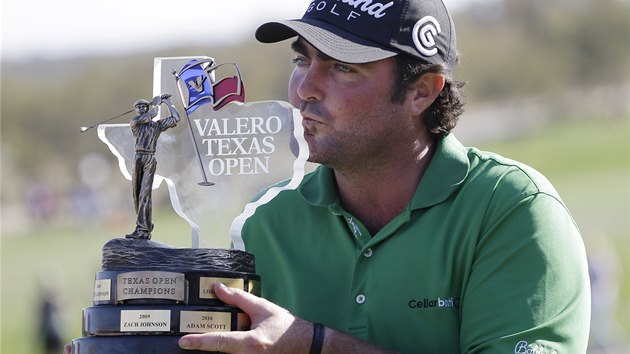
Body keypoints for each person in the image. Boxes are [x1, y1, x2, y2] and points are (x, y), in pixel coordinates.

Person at [64, 1, 590, 353]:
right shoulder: (262, 222)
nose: (304, 89)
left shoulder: (514, 210)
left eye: (343, 67)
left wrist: (315, 344)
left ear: (423, 91)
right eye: (302, 60)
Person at [126, 93, 180, 239]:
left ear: (147, 107)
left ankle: (143, 229)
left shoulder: (156, 126)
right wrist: (157, 104)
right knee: (137, 193)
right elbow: (153, 114)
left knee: (145, 194)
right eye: (139, 107)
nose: (141, 108)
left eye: (144, 106)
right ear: (136, 110)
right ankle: (144, 225)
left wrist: (168, 102)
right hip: (138, 158)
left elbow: (176, 118)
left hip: (149, 157)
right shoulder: (135, 121)